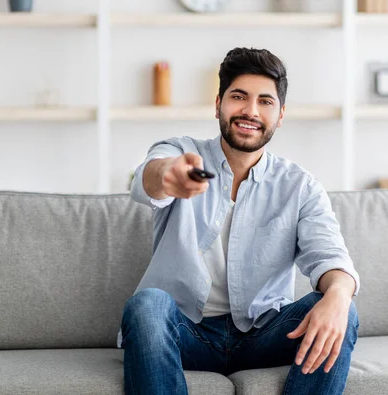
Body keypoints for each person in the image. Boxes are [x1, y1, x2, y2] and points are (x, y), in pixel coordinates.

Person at [120, 47, 360, 395]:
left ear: (280, 115)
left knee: (342, 306)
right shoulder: (181, 152)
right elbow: (150, 177)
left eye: (265, 101)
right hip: (186, 333)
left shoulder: (300, 186)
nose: (250, 111)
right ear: (218, 103)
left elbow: (330, 257)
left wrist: (339, 295)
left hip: (264, 335)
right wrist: (169, 176)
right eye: (238, 97)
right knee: (147, 305)